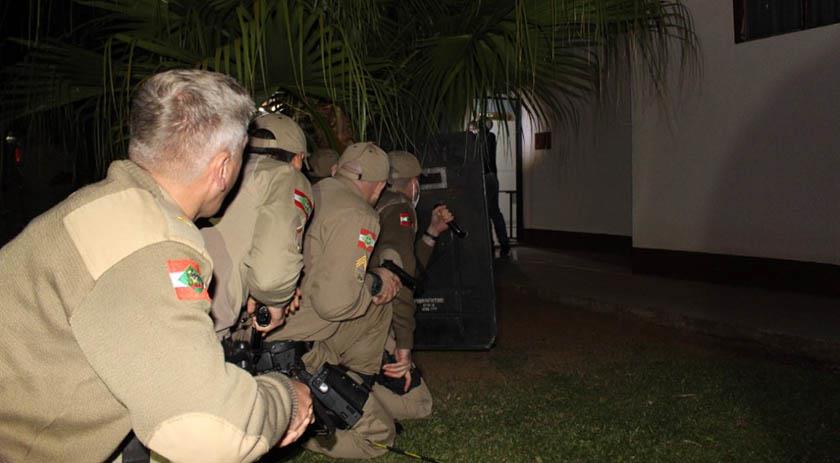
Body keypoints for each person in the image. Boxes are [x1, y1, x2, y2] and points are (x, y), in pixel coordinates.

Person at [0, 69, 313, 463]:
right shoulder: (152, 244)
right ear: (222, 168)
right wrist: (287, 400)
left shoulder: (97, 204)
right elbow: (208, 432)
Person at [263, 142, 403, 459]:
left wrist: (373, 283)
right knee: (380, 436)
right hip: (294, 349)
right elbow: (335, 304)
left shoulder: (311, 192)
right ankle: (297, 434)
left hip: (273, 329)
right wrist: (374, 282)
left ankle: (354, 389)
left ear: (338, 170)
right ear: (379, 186)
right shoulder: (358, 214)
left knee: (378, 302)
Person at [201, 112, 313, 339]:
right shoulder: (283, 175)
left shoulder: (214, 167)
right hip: (202, 323)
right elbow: (271, 272)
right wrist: (276, 302)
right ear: (298, 159)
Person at [370, 150, 454, 421]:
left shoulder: (373, 203)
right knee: (419, 405)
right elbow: (400, 281)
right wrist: (404, 346)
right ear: (414, 183)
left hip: (356, 309)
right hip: (373, 319)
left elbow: (407, 267)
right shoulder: (400, 209)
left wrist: (432, 232)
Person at [479, 118, 511, 257]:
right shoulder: (491, 137)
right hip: (492, 177)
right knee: (495, 212)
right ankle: (504, 244)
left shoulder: (481, 138)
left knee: (486, 213)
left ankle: (490, 245)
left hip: (485, 177)